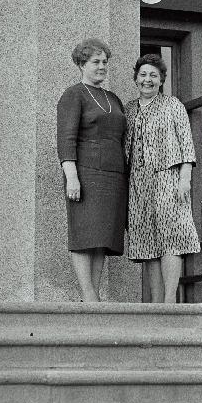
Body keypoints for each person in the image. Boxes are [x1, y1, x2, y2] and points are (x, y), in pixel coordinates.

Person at [124, 53, 201, 303]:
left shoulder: (173, 105)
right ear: (136, 78)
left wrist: (185, 178)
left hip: (168, 178)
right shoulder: (128, 109)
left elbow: (186, 144)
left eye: (153, 75)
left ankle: (169, 302)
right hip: (137, 183)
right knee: (147, 242)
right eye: (143, 74)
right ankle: (156, 306)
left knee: (171, 238)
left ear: (161, 80)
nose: (148, 80)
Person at [57, 38, 127, 302]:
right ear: (81, 64)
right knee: (84, 233)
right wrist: (71, 177)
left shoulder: (112, 98)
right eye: (95, 62)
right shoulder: (73, 94)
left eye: (104, 62)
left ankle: (94, 294)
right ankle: (88, 296)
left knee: (102, 237)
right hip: (86, 174)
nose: (102, 66)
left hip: (114, 176)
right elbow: (66, 138)